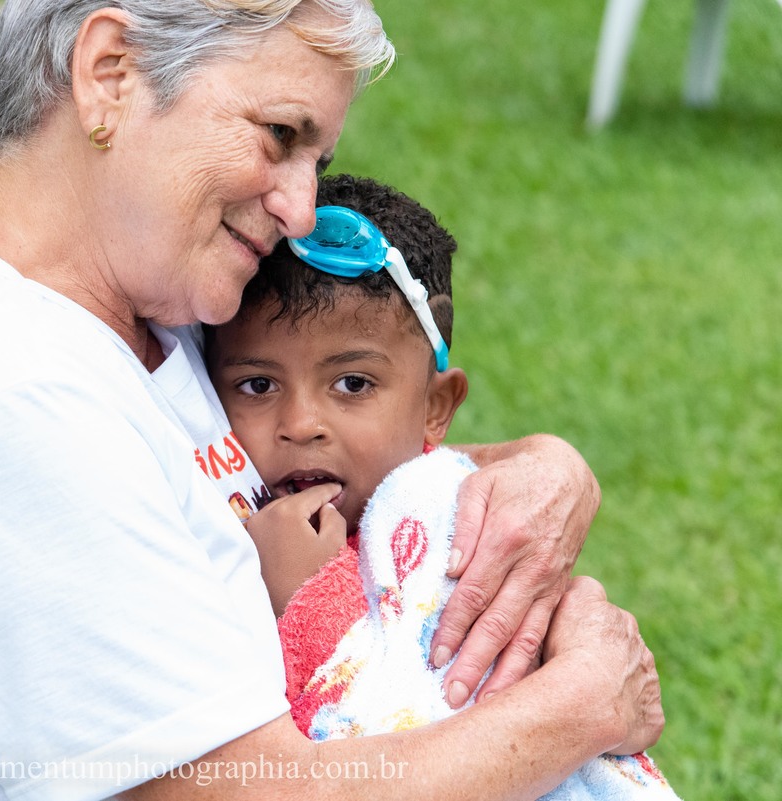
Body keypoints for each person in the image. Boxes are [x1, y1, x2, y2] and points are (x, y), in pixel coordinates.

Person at [0, 3, 662, 800]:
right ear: (111, 74)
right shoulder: (8, 402)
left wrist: (539, 467)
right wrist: (578, 707)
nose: (298, 207)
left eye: (314, 161)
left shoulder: (115, 306)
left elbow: (296, 469)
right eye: (279, 137)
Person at [205, 175, 679, 799]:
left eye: (352, 384)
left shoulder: (470, 525)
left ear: (435, 406)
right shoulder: (227, 544)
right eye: (258, 386)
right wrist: (304, 597)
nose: (300, 426)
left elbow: (445, 701)